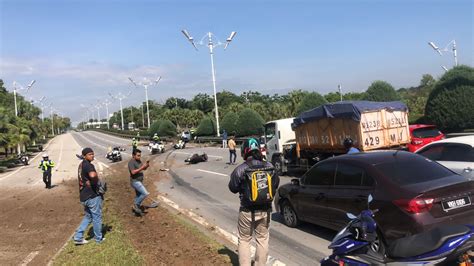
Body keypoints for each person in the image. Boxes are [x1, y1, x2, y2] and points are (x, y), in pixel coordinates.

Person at [228, 138, 280, 266]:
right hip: (265, 211)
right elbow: (276, 184)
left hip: (246, 211)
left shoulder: (241, 169)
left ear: (245, 151)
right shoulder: (269, 166)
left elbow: (232, 187)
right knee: (262, 240)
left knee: (245, 240)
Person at [73, 147, 105, 245]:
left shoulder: (81, 165)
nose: (92, 155)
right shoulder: (88, 165)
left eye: (92, 154)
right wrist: (96, 183)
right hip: (92, 196)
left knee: (88, 217)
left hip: (84, 196)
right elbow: (92, 175)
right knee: (97, 217)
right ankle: (98, 239)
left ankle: (78, 237)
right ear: (84, 156)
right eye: (90, 154)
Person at [128, 149, 158, 216]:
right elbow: (133, 172)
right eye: (138, 156)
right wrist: (142, 167)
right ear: (133, 155)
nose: (139, 157)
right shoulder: (131, 162)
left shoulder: (138, 161)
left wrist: (146, 165)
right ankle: (136, 205)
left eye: (140, 156)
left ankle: (135, 212)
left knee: (138, 196)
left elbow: (143, 168)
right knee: (145, 193)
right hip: (135, 181)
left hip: (139, 181)